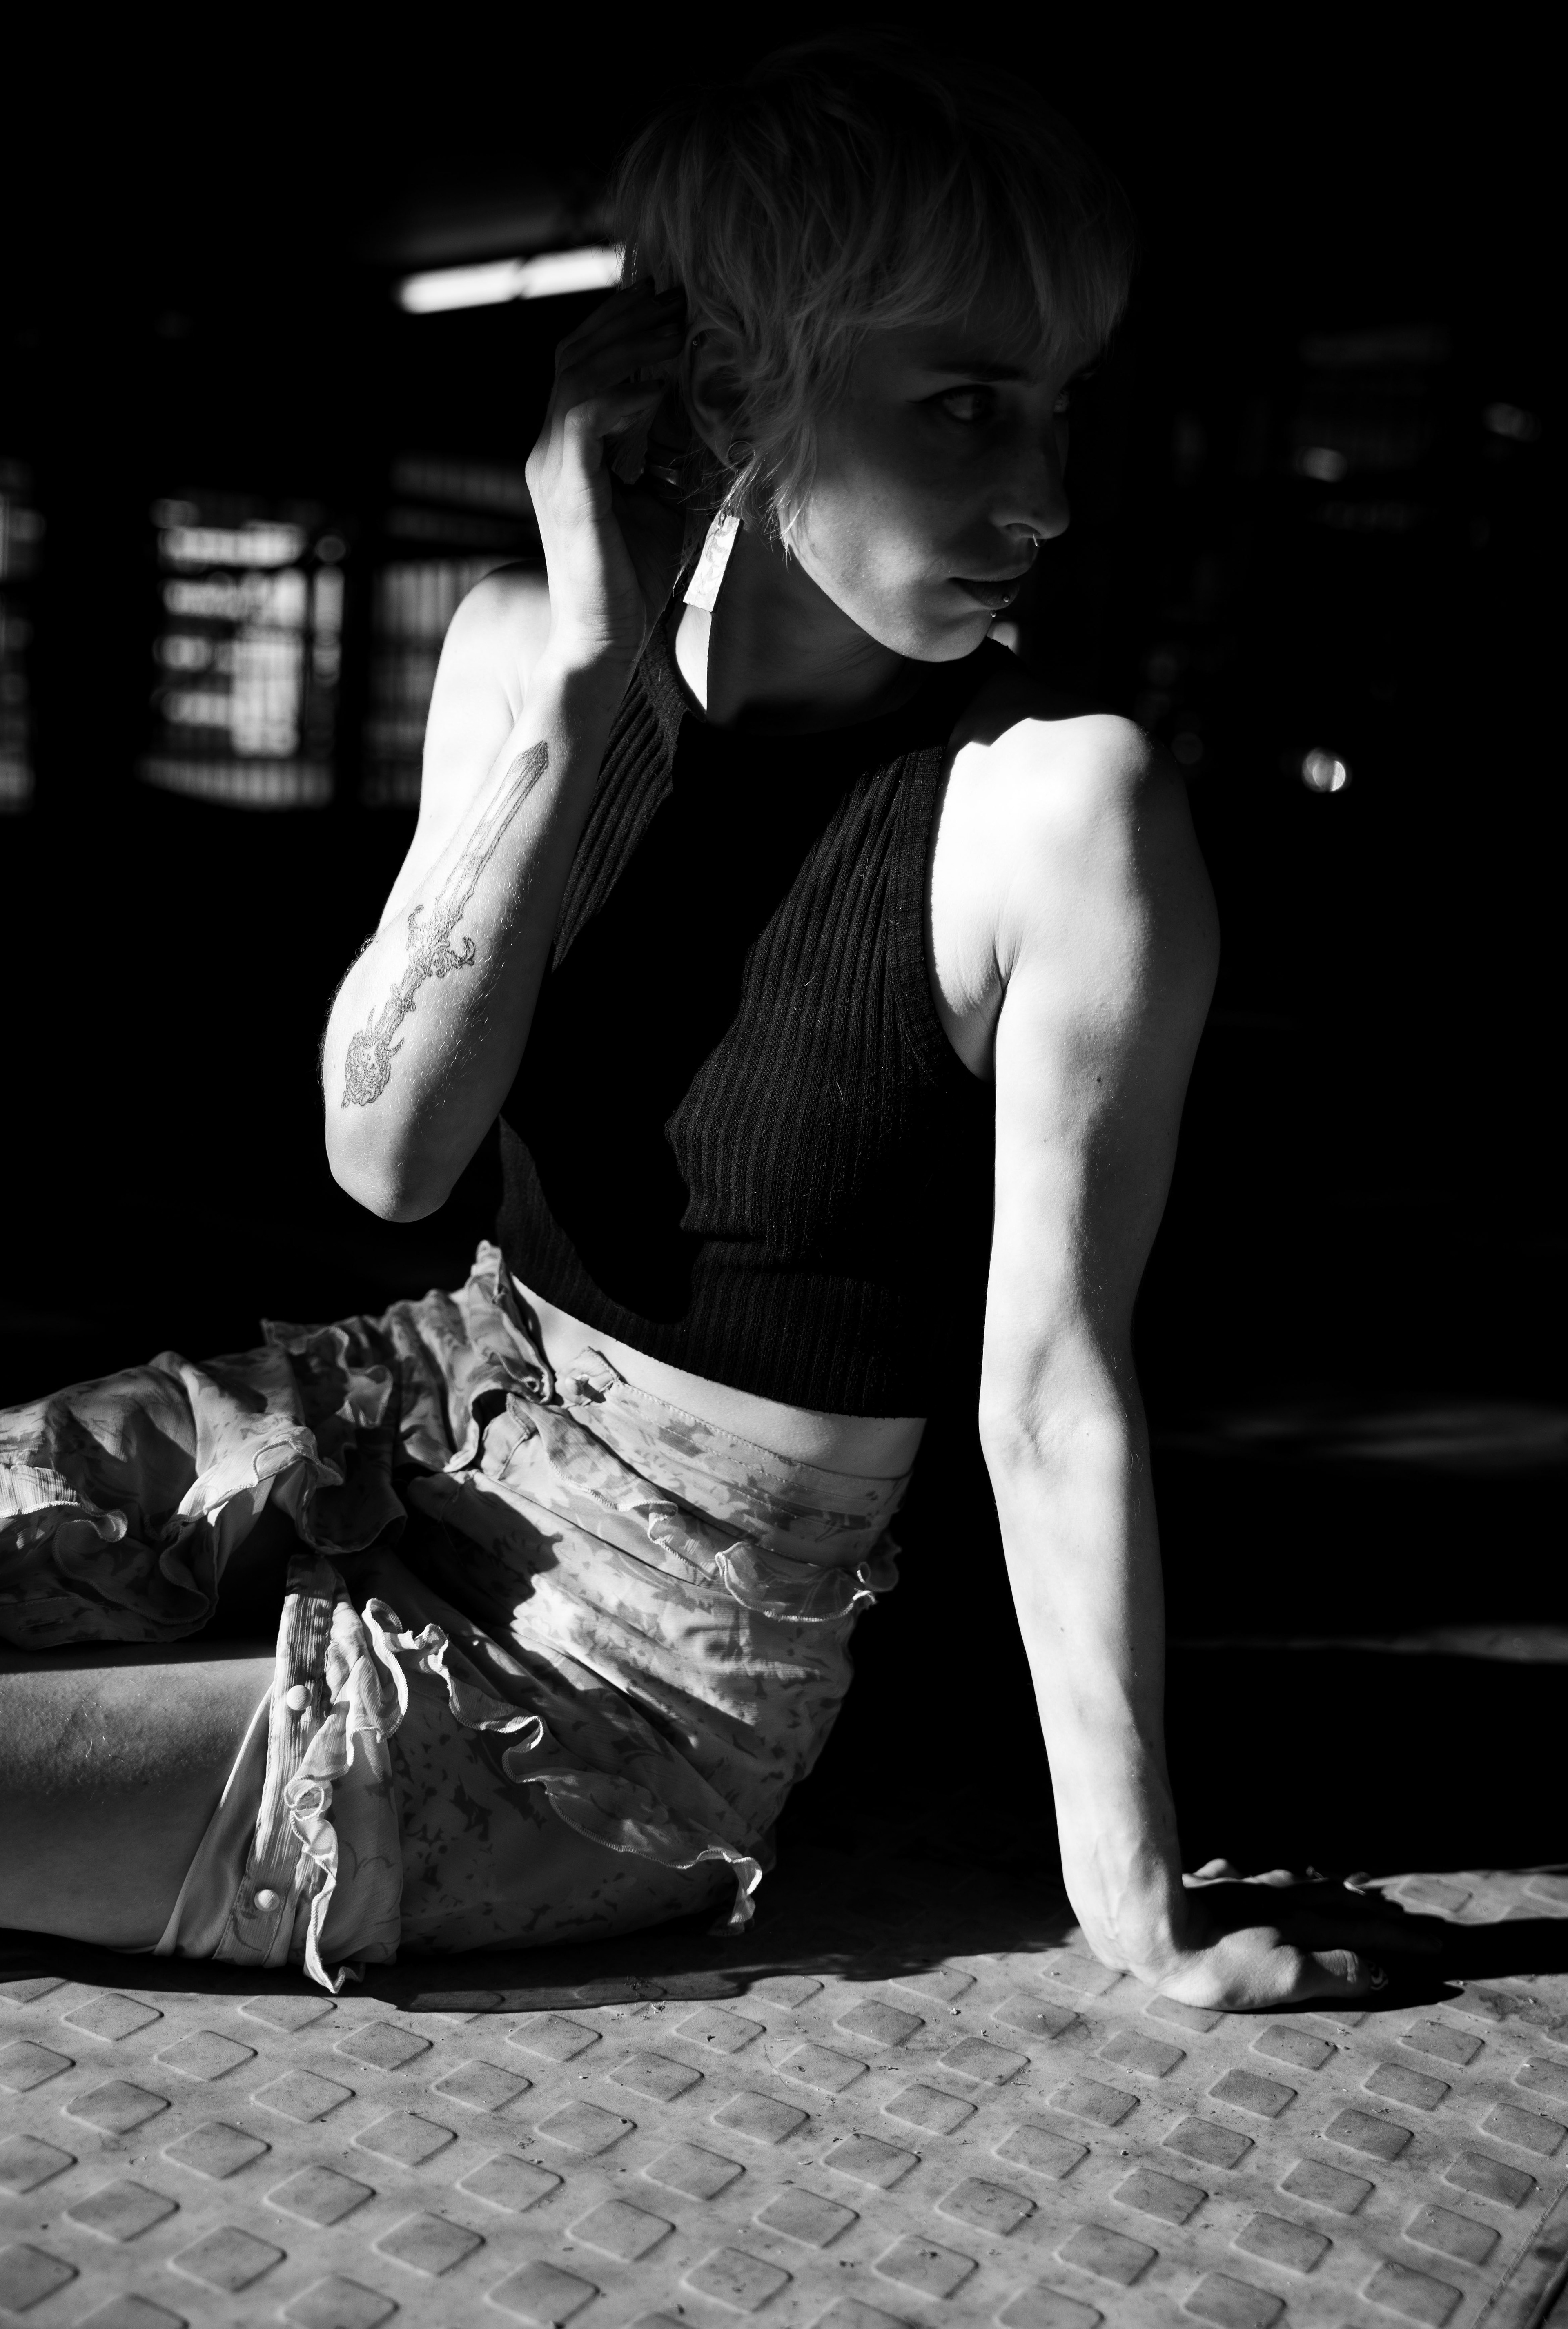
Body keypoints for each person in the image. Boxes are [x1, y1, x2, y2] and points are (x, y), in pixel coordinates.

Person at [0, 31, 1435, 2003]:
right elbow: (388, 1160)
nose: (1044, 494)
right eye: (965, 406)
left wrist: (1136, 1903)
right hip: (396, 1416)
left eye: (1059, 412)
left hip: (634, 1674)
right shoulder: (525, 652)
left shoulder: (1057, 810)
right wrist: (581, 684)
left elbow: (1050, 1384)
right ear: (737, 393)